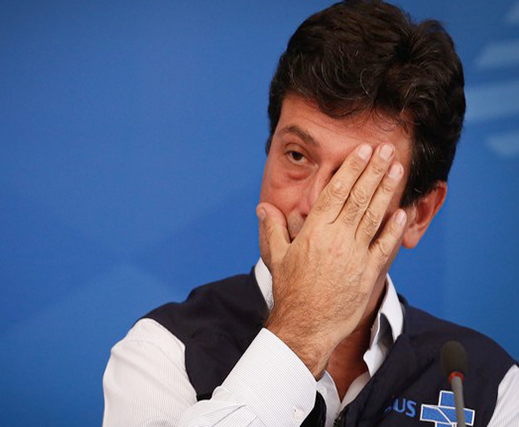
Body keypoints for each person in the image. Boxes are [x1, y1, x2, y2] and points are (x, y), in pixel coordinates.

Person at [102, 1, 519, 425]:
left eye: (356, 179)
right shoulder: (165, 351)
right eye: (297, 155)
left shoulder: (492, 388)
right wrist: (300, 335)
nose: (313, 207)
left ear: (419, 214)